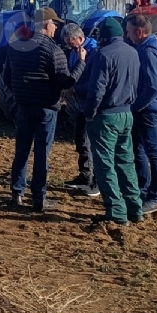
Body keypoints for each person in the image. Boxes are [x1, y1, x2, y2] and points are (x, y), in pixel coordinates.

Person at [5, 7, 80, 213]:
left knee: (21, 151)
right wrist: (81, 62)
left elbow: (7, 77)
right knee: (41, 154)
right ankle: (39, 198)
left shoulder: (15, 46)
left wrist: (22, 93)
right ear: (47, 25)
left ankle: (17, 194)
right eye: (54, 24)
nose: (56, 28)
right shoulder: (52, 50)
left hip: (23, 106)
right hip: (46, 108)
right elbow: (65, 81)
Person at [74, 16, 142, 228]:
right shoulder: (134, 53)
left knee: (105, 166)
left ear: (103, 36)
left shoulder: (104, 55)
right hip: (126, 114)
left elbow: (97, 90)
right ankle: (135, 208)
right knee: (126, 162)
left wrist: (90, 113)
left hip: (106, 116)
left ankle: (116, 212)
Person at [127, 12, 157, 214]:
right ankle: (142, 191)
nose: (128, 36)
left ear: (139, 31)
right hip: (147, 108)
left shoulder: (149, 50)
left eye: (129, 32)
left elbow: (153, 86)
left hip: (149, 109)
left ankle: (156, 196)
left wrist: (137, 106)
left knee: (153, 152)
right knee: (139, 150)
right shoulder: (145, 47)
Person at [60, 22, 100, 198]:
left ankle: (96, 182)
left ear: (81, 38)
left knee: (94, 143)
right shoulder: (75, 52)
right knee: (81, 141)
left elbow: (94, 82)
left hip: (90, 104)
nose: (69, 46)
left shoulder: (94, 54)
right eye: (67, 43)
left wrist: (75, 88)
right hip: (77, 104)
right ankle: (84, 175)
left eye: (71, 42)